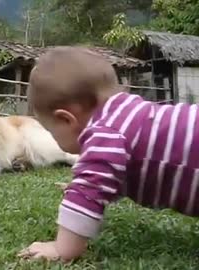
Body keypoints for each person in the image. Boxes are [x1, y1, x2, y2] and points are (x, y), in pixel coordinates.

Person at [18, 46, 199, 262]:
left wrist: (61, 248)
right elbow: (129, 167)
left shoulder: (105, 133)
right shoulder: (129, 115)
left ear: (66, 119)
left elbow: (89, 191)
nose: (52, 136)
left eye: (50, 130)